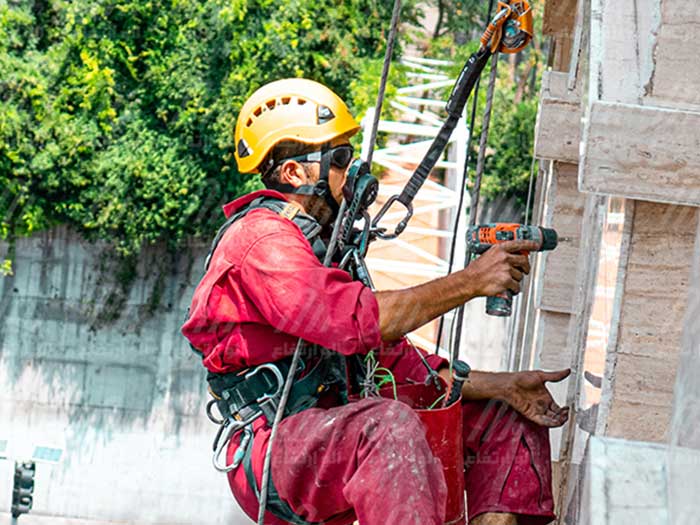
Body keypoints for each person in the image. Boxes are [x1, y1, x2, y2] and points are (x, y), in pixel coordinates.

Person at [182, 78, 570, 525]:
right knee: (388, 428)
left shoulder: (322, 248)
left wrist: (502, 386)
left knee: (506, 417)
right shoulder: (261, 241)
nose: (356, 177)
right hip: (278, 445)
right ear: (294, 173)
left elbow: (390, 359)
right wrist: (471, 281)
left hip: (341, 425)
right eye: (342, 159)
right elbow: (356, 321)